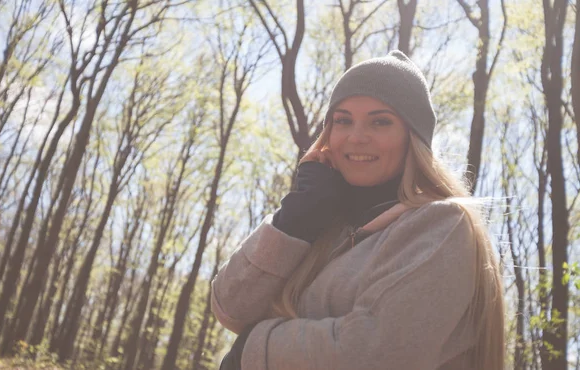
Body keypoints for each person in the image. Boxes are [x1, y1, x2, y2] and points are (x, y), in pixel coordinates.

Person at [211, 50, 505, 370]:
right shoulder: (320, 227)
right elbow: (230, 308)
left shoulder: (443, 225)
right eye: (343, 120)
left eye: (380, 122)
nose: (356, 137)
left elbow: (376, 354)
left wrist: (252, 349)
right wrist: (298, 214)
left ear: (413, 138)